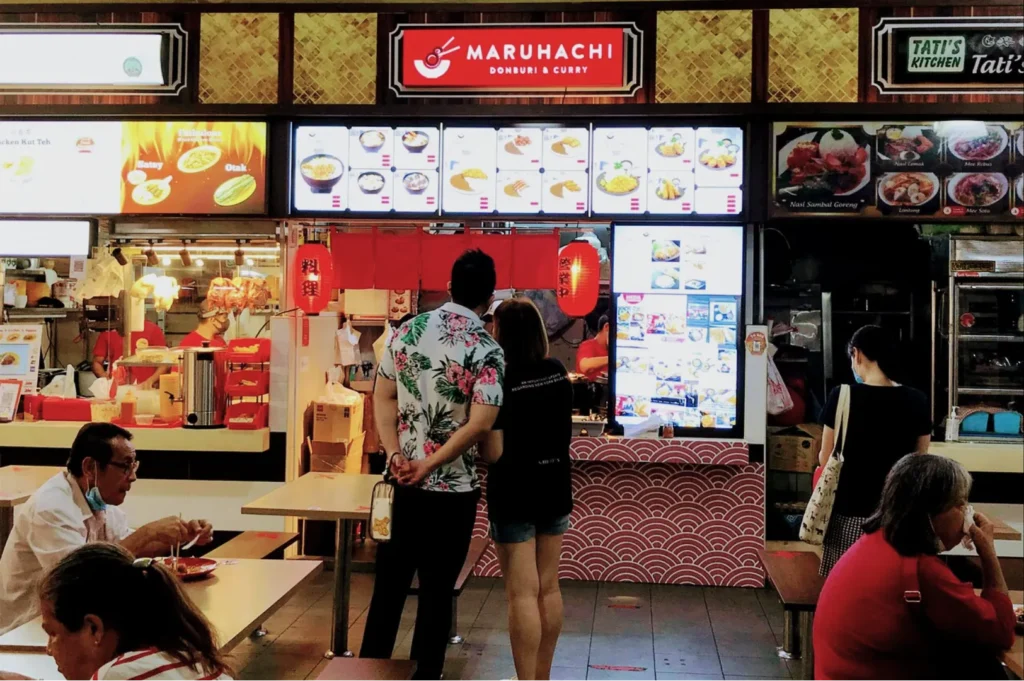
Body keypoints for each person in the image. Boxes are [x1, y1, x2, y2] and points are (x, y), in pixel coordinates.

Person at [360, 249, 505, 681]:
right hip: (452, 495)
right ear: (490, 296)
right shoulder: (488, 349)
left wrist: (395, 454)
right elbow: (482, 423)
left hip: (400, 486)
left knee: (387, 589)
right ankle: (426, 676)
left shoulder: (407, 331)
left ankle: (369, 673)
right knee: (437, 595)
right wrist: (430, 464)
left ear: (449, 284)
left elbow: (381, 396)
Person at [814, 454, 1015, 681]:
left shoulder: (874, 542)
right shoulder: (922, 570)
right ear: (929, 512)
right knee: (986, 668)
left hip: (838, 672)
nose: (967, 513)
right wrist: (988, 551)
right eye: (960, 504)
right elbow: (1001, 630)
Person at [0, 423, 213, 635]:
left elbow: (130, 548)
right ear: (90, 467)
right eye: (125, 466)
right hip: (26, 630)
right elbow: (79, 581)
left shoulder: (97, 499)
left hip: (74, 620)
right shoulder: (51, 508)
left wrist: (182, 536)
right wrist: (148, 532)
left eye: (134, 466)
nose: (132, 476)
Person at [483, 298, 573, 681]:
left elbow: (494, 451)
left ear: (501, 335)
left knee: (521, 594)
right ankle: (542, 676)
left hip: (514, 491)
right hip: (555, 487)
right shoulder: (556, 371)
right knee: (548, 588)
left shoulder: (499, 380)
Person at [816, 325, 931, 575]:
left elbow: (825, 458)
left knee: (844, 586)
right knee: (890, 585)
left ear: (856, 354)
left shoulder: (842, 396)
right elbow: (919, 462)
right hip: (897, 519)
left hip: (848, 514)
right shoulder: (917, 400)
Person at [39, 543, 232, 681]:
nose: (48, 650)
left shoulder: (116, 675)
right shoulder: (193, 657)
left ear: (94, 628)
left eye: (53, 633)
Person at [92, 319, 167, 388]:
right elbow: (97, 363)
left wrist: (150, 381)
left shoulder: (153, 329)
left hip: (147, 390)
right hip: (118, 390)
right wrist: (108, 382)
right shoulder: (109, 331)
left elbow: (164, 363)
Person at [575, 316, 609, 380]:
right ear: (607, 327)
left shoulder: (612, 350)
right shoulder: (588, 345)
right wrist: (612, 358)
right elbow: (584, 366)